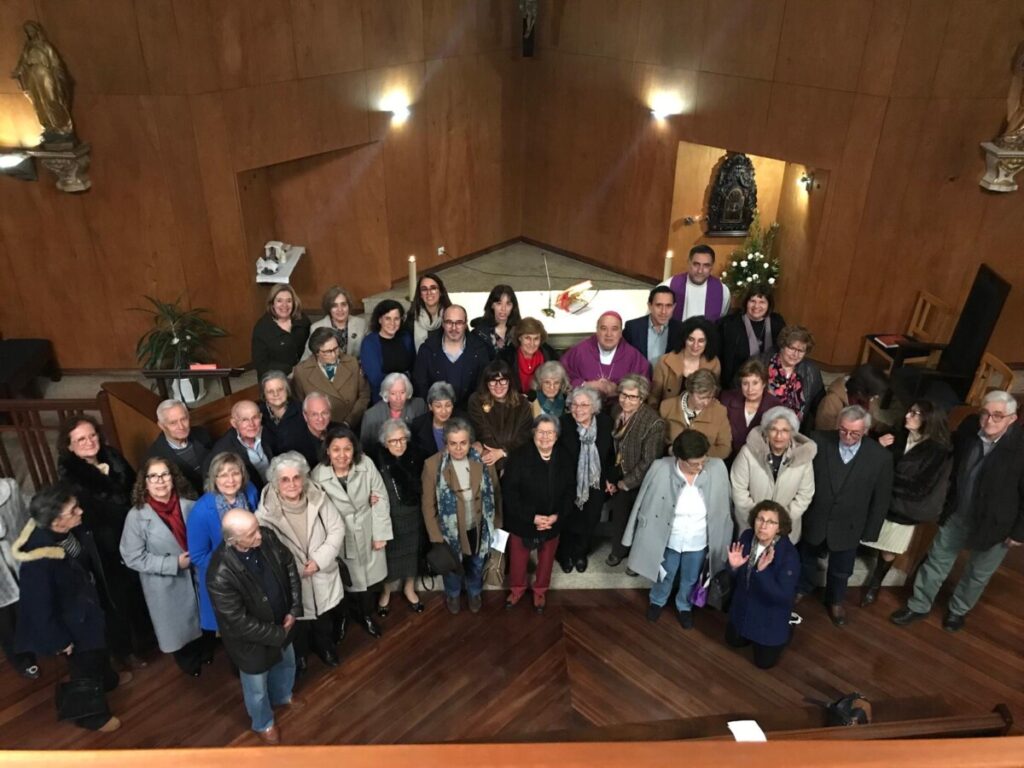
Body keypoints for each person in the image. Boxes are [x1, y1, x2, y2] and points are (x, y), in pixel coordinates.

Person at [891, 391, 1021, 632]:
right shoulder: (970, 426)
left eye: (998, 416)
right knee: (937, 562)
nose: (989, 420)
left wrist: (1019, 532)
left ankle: (958, 610)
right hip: (958, 512)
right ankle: (918, 605)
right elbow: (946, 451)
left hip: (996, 524)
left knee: (978, 574)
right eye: (985, 413)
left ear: (1012, 419)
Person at [14, 483, 129, 732]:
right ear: (56, 521)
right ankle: (92, 716)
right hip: (71, 624)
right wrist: (59, 640)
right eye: (73, 510)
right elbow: (39, 608)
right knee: (84, 666)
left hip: (86, 610)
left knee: (99, 651)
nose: (80, 512)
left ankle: (108, 680)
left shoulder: (68, 531)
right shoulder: (38, 560)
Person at [57, 415, 153, 664]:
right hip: (104, 545)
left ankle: (150, 637)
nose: (89, 441)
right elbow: (94, 514)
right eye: (81, 439)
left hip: (134, 532)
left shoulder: (112, 457)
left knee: (142, 587)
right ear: (69, 446)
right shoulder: (71, 478)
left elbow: (136, 487)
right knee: (117, 599)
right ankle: (125, 651)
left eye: (92, 435)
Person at [206, 509, 301, 745]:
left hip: (283, 622)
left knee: (287, 663)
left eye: (257, 528)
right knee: (256, 689)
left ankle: (283, 695)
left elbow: (288, 564)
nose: (260, 536)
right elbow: (238, 622)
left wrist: (294, 608)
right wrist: (278, 633)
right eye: (251, 534)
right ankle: (263, 723)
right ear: (233, 541)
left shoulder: (266, 536)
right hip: (251, 643)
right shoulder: (219, 574)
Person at [623, 431, 731, 629]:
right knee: (665, 573)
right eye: (694, 463)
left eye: (703, 461)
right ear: (679, 458)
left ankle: (684, 606)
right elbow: (641, 503)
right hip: (668, 537)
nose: (700, 467)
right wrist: (632, 534)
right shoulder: (660, 468)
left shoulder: (718, 468)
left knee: (690, 577)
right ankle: (657, 601)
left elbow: (725, 506)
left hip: (698, 538)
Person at [799, 405, 893, 627]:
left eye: (855, 433)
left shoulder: (879, 457)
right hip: (816, 518)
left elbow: (881, 498)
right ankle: (802, 588)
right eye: (843, 431)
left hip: (850, 525)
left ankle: (835, 601)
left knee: (841, 569)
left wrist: (871, 531)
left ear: (866, 431)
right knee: (806, 560)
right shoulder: (818, 441)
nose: (848, 437)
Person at [256, 453, 344, 672]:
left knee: (324, 617)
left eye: (296, 477)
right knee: (299, 623)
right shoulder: (264, 514)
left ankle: (325, 648)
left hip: (321, 571)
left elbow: (337, 529)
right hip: (292, 580)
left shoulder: (317, 497)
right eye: (285, 479)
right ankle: (301, 654)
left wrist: (318, 561)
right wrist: (297, 571)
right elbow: (267, 553)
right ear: (276, 483)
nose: (292, 484)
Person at [860, 400, 951, 607]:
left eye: (916, 413)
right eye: (910, 410)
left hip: (903, 508)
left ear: (929, 420)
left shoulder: (937, 451)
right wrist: (878, 447)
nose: (908, 415)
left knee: (889, 548)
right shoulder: (895, 435)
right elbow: (872, 464)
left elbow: (921, 485)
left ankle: (875, 584)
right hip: (877, 500)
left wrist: (887, 482)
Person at [120, 458, 205, 676]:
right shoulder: (136, 516)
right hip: (166, 582)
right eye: (153, 476)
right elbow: (132, 556)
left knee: (201, 619)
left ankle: (205, 653)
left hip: (197, 573)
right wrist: (173, 563)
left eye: (165, 474)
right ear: (145, 482)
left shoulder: (189, 504)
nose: (160, 481)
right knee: (180, 630)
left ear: (173, 478)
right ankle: (190, 665)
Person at [311, 427, 392, 639]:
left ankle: (366, 615)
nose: (342, 455)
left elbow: (381, 496)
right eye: (336, 449)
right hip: (337, 534)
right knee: (343, 581)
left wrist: (380, 533)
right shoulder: (318, 475)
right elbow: (316, 513)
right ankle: (343, 618)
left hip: (366, 527)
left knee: (366, 580)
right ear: (327, 451)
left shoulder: (366, 464)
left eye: (347, 449)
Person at [422, 418, 502, 615]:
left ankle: (475, 592)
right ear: (446, 443)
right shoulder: (432, 465)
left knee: (476, 563)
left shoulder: (483, 461)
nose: (458, 448)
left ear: (470, 441)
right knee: (452, 569)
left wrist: (497, 524)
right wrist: (436, 537)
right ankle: (453, 593)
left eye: (463, 443)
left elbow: (496, 493)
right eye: (453, 443)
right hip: (449, 532)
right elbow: (427, 504)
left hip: (478, 527)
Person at [502, 414, 575, 613]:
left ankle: (540, 590)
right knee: (518, 559)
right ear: (533, 433)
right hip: (523, 520)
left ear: (557, 435)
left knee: (547, 559)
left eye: (550, 432)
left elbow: (570, 490)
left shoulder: (565, 456)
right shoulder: (518, 456)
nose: (545, 437)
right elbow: (509, 493)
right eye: (541, 432)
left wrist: (557, 516)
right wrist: (532, 517)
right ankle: (517, 589)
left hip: (553, 520)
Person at [187, 452, 260, 635]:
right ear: (214, 478)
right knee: (237, 634)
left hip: (255, 571)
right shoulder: (201, 510)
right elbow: (198, 556)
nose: (230, 480)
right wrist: (231, 566)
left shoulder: (250, 492)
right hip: (225, 580)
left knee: (259, 623)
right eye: (223, 474)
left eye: (235, 473)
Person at [725, 500, 800, 669]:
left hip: (769, 615)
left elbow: (782, 596)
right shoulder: (746, 536)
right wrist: (733, 567)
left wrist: (762, 573)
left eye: (771, 522)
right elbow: (734, 575)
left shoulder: (789, 555)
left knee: (763, 664)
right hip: (744, 607)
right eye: (760, 519)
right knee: (732, 642)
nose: (763, 526)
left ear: (779, 528)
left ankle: (789, 625)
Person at [605, 375, 666, 567]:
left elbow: (649, 461)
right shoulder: (616, 410)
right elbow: (610, 447)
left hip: (639, 478)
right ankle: (618, 549)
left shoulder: (653, 423)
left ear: (642, 399)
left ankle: (624, 553)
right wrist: (609, 478)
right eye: (623, 395)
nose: (626, 400)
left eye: (632, 397)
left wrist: (626, 483)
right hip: (616, 468)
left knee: (627, 513)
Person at [730, 406, 816, 543]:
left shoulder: (803, 458)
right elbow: (738, 489)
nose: (779, 436)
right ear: (766, 431)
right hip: (750, 526)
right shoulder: (748, 453)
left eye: (785, 431)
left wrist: (780, 522)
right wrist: (759, 521)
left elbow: (805, 494)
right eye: (774, 429)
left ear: (792, 433)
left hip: (785, 529)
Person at [557, 386, 615, 573]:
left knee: (590, 519)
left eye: (584, 405)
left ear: (594, 407)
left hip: (595, 480)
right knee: (567, 518)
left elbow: (611, 455)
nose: (578, 409)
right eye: (574, 404)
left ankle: (581, 553)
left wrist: (609, 478)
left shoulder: (605, 423)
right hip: (567, 482)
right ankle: (565, 554)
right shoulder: (563, 423)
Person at [374, 419, 427, 616]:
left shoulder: (416, 457)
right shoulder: (377, 462)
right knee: (389, 559)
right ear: (385, 443)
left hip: (413, 517)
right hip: (390, 520)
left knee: (412, 556)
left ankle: (409, 588)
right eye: (393, 441)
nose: (399, 445)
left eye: (402, 440)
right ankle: (386, 592)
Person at [413, 305, 493, 410]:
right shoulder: (427, 350)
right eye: (449, 322)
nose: (454, 328)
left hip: (469, 413)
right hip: (435, 413)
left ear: (465, 324)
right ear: (442, 323)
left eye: (459, 322)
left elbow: (483, 384)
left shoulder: (479, 349)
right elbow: (420, 384)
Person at [559, 311, 651, 403]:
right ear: (597, 330)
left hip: (620, 408)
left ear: (620, 332)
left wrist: (618, 389)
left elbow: (642, 386)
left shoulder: (633, 356)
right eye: (603, 328)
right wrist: (586, 384)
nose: (609, 334)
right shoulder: (579, 351)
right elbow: (562, 376)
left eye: (614, 329)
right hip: (584, 407)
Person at [292, 327, 370, 429]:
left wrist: (349, 422)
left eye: (336, 349)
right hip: (319, 430)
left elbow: (364, 396)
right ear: (316, 352)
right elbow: (300, 405)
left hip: (350, 426)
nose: (333, 355)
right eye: (327, 352)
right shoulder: (301, 371)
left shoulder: (352, 363)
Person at [0, 478, 38, 679]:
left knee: (31, 603)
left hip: (18, 555)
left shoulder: (10, 487)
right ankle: (22, 660)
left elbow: (25, 516)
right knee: (5, 618)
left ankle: (44, 643)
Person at [468, 360, 534, 473]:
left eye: (503, 380)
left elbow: (525, 436)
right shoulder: (476, 401)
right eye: (493, 381)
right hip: (487, 461)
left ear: (509, 382)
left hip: (516, 463)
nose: (498, 386)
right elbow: (483, 434)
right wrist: (498, 461)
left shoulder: (522, 403)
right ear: (486, 383)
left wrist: (503, 452)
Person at [716, 282, 786, 389]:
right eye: (752, 301)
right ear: (746, 302)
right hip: (738, 383)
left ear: (769, 305)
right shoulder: (729, 324)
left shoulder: (777, 323)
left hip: (770, 382)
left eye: (762, 302)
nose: (756, 306)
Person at [13, 21, 74, 139]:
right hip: (33, 76)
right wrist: (18, 71)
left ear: (36, 31)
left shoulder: (45, 46)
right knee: (38, 102)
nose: (30, 33)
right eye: (27, 31)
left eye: (31, 30)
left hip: (45, 74)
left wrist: (59, 76)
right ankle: (48, 126)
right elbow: (23, 63)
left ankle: (62, 127)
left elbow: (55, 62)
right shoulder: (28, 47)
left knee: (52, 99)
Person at [648, 315, 722, 406]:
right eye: (691, 339)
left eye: (701, 341)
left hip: (700, 416)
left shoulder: (714, 363)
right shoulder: (664, 362)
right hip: (667, 416)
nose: (695, 345)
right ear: (684, 339)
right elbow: (654, 398)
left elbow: (713, 397)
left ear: (708, 342)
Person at [720, 359, 782, 464]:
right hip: (727, 460)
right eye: (745, 383)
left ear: (763, 383)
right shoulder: (726, 399)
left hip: (759, 463)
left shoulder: (775, 407)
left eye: (755, 383)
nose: (750, 389)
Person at [144, 399, 213, 495]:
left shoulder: (202, 434)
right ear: (162, 426)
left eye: (184, 419)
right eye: (173, 423)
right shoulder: (155, 457)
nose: (181, 426)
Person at [659, 369, 731, 459]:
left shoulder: (719, 411)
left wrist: (697, 456)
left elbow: (725, 448)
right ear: (690, 392)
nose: (706, 402)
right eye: (701, 398)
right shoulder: (666, 407)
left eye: (710, 397)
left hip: (706, 464)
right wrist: (670, 449)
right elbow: (658, 441)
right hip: (673, 461)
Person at [761, 325, 824, 427]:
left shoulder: (811, 371)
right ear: (782, 346)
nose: (795, 354)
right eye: (791, 348)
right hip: (763, 425)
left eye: (800, 351)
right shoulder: (761, 363)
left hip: (795, 431)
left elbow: (818, 407)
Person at [206, 400, 276, 491]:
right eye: (245, 420)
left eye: (255, 417)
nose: (251, 424)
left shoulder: (269, 431)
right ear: (234, 423)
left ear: (261, 417)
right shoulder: (223, 449)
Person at [360, 299, 416, 403]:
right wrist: (404, 378)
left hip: (407, 396)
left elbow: (413, 367)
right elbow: (375, 378)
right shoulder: (369, 343)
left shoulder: (406, 338)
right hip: (382, 398)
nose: (392, 323)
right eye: (387, 318)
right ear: (380, 320)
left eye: (396, 319)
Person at [251, 285, 311, 379]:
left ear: (294, 303)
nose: (284, 305)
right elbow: (261, 364)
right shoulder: (262, 328)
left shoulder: (302, 320)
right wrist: (290, 370)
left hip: (304, 374)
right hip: (275, 378)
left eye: (289, 301)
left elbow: (311, 347)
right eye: (279, 301)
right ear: (272, 303)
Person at [662, 245, 731, 322]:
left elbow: (722, 320)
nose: (700, 271)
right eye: (696, 264)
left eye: (706, 265)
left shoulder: (722, 291)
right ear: (689, 263)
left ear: (712, 266)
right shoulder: (669, 286)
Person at [360, 373, 427, 450]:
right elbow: (364, 447)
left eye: (402, 392)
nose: (398, 398)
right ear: (386, 394)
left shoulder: (419, 406)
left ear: (408, 391)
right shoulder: (371, 416)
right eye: (393, 393)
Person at [623, 286, 685, 369]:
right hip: (638, 379)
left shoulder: (681, 329)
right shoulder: (633, 327)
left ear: (674, 307)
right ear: (650, 306)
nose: (664, 311)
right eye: (659, 305)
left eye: (668, 306)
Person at [815, 363, 890, 432]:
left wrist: (886, 429)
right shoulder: (832, 401)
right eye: (873, 395)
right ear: (859, 392)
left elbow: (870, 421)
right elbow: (824, 433)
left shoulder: (866, 397)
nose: (875, 398)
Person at [303, 285, 367, 361]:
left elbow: (367, 355)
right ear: (329, 308)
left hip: (354, 369)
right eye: (334, 306)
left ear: (349, 306)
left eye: (343, 304)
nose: (340, 309)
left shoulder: (361, 324)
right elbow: (307, 358)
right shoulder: (316, 327)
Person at [277, 392, 340, 468]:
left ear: (330, 413)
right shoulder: (292, 442)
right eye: (314, 414)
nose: (320, 419)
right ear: (305, 416)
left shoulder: (341, 431)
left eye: (324, 413)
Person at [499, 316, 559, 396]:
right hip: (514, 403)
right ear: (519, 338)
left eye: (536, 338)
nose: (532, 343)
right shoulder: (506, 358)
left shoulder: (550, 356)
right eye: (527, 338)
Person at [258, 370, 307, 451]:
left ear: (287, 390)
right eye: (270, 391)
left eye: (280, 389)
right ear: (264, 394)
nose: (276, 394)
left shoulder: (302, 409)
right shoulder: (258, 414)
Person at [404, 272, 452, 351]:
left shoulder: (452, 316)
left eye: (433, 288)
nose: (429, 293)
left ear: (440, 292)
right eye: (424, 289)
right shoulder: (411, 320)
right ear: (420, 294)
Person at [410, 381, 456, 458]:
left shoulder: (462, 421)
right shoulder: (418, 425)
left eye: (448, 405)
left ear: (452, 406)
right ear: (430, 407)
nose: (444, 411)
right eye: (438, 406)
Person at [471, 284, 521, 354]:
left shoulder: (520, 332)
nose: (503, 309)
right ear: (492, 305)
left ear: (513, 307)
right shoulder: (478, 333)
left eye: (508, 304)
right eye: (499, 303)